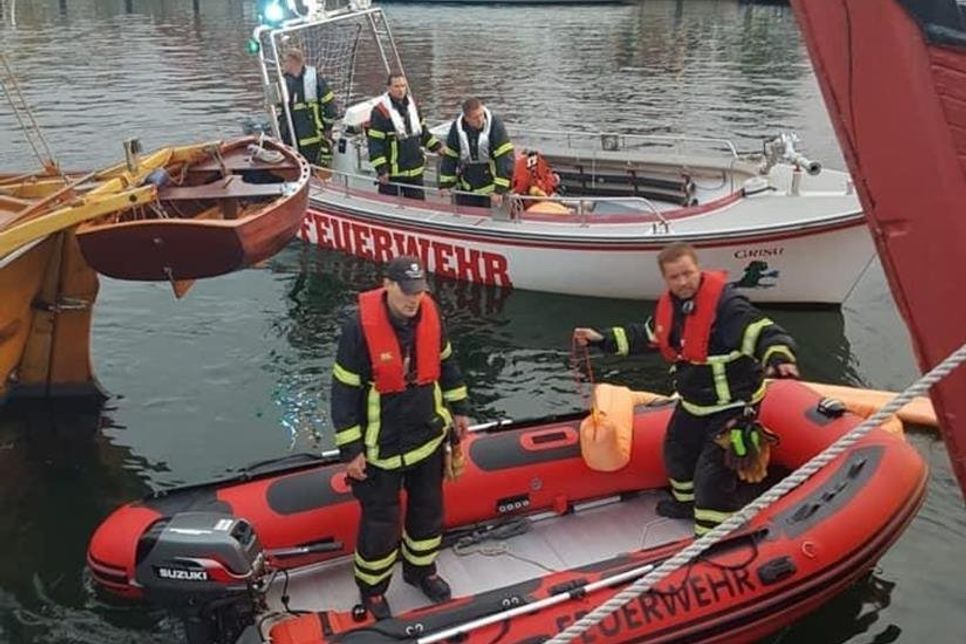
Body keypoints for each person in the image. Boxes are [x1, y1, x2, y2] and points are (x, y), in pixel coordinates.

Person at [573, 243, 799, 536]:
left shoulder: (727, 307)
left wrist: (778, 357)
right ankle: (686, 504)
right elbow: (647, 336)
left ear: (698, 269)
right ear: (666, 280)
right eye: (675, 277)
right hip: (695, 403)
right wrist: (600, 338)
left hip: (731, 405)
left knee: (712, 477)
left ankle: (713, 536)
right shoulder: (671, 308)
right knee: (676, 455)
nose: (683, 282)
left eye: (687, 274)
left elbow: (761, 332)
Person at [330, 255, 470, 620]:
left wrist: (460, 410)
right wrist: (351, 450)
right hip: (381, 448)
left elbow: (448, 365)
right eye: (407, 292)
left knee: (428, 511)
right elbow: (343, 391)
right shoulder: (357, 328)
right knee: (380, 523)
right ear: (387, 284)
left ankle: (421, 571)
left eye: (419, 292)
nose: (413, 300)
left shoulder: (431, 317)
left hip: (426, 436)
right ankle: (373, 589)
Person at [367, 74, 443, 200]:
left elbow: (423, 133)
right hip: (392, 174)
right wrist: (382, 170)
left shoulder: (413, 107)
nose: (400, 89)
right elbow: (375, 145)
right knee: (389, 208)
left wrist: (438, 147)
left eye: (403, 86)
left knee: (418, 207)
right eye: (396, 86)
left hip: (415, 171)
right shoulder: (380, 112)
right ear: (389, 88)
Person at [439, 97, 514, 208]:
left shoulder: (495, 126)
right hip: (467, 185)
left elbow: (505, 158)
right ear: (466, 118)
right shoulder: (457, 129)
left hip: (491, 187)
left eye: (481, 115)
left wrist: (500, 190)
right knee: (465, 216)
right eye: (475, 117)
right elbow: (450, 156)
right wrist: (445, 184)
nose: (480, 120)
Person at [280, 48, 338, 166]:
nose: (282, 65)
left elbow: (329, 105)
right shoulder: (284, 81)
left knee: (310, 165)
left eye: (284, 61)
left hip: (312, 135)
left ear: (293, 61)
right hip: (290, 136)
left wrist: (328, 128)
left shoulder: (313, 80)